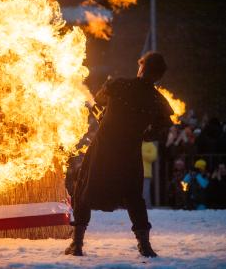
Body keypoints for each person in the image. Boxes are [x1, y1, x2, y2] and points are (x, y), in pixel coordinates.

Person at [65, 52, 174, 258]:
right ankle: (145, 246)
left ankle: (77, 244)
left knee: (83, 190)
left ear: (141, 68)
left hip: (103, 150)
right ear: (159, 77)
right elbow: (163, 126)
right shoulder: (157, 100)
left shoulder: (119, 85)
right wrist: (144, 134)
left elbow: (99, 99)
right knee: (134, 197)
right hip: (129, 153)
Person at [142, 141, 158, 208]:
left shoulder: (150, 145)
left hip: (146, 173)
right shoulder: (136, 143)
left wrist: (141, 153)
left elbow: (153, 157)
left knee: (145, 192)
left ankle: (147, 207)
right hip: (135, 173)